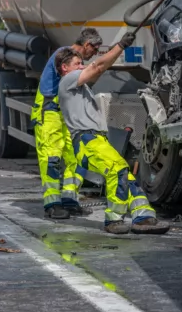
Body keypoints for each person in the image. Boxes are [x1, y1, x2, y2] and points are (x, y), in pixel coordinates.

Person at [56, 34, 170, 235]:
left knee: (126, 174)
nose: (82, 66)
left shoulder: (79, 87)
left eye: (82, 63)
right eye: (77, 64)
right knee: (117, 171)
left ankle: (143, 216)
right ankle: (113, 219)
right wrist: (120, 46)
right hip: (86, 140)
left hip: (95, 140)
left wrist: (112, 55)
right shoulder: (68, 80)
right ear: (65, 68)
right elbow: (98, 66)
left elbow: (99, 69)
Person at [30, 28, 103, 220]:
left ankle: (70, 199)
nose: (94, 54)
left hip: (63, 113)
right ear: (87, 45)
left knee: (75, 157)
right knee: (51, 158)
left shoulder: (74, 62)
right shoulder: (63, 57)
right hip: (49, 112)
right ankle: (52, 203)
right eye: (94, 50)